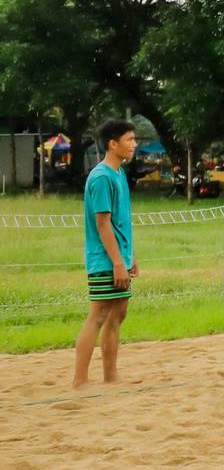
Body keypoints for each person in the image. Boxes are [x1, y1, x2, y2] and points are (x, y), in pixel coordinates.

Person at [72, 120, 139, 391]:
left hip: (119, 257)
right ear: (113, 144)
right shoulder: (101, 177)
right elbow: (102, 224)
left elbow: (122, 221)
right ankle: (80, 380)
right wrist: (117, 262)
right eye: (129, 139)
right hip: (105, 259)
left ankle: (110, 375)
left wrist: (131, 256)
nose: (134, 144)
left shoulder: (118, 173)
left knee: (118, 313)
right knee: (98, 314)